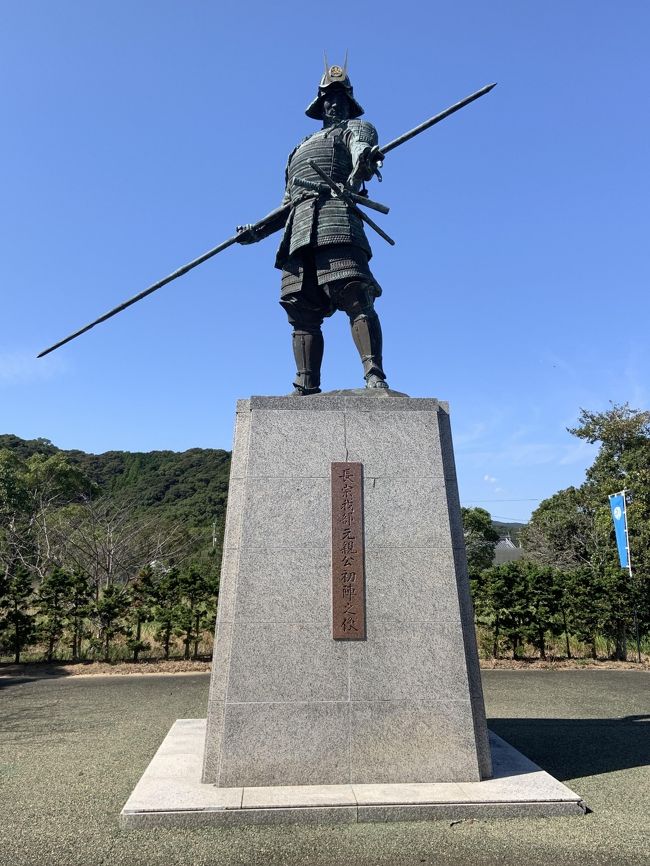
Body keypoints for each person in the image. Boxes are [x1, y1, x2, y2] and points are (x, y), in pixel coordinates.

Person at [238, 62, 389, 394]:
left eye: (340, 99)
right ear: (319, 106)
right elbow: (286, 203)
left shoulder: (355, 128)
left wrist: (364, 160)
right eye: (328, 100)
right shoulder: (297, 150)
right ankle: (306, 383)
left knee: (353, 293)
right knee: (300, 309)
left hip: (336, 218)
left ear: (350, 104)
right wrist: (257, 231)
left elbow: (361, 147)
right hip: (298, 229)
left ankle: (374, 373)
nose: (334, 105)